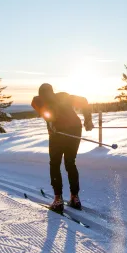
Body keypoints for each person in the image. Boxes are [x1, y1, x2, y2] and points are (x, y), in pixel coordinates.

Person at [31, 83, 94, 212]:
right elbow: (83, 101)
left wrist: (52, 122)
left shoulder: (38, 100)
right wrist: (88, 119)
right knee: (70, 163)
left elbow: (46, 113)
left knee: (55, 164)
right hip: (75, 130)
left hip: (58, 133)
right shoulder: (64, 96)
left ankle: (58, 200)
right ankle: (75, 198)